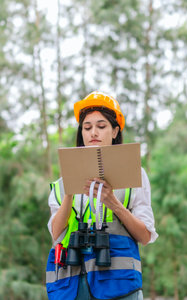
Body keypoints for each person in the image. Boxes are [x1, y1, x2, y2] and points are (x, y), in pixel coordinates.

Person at [45, 91, 158, 300]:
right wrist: (70, 191)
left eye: (101, 126)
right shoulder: (61, 184)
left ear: (115, 131)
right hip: (71, 286)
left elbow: (145, 235)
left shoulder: (134, 175)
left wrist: (113, 203)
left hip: (119, 286)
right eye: (87, 128)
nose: (93, 133)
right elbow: (55, 232)